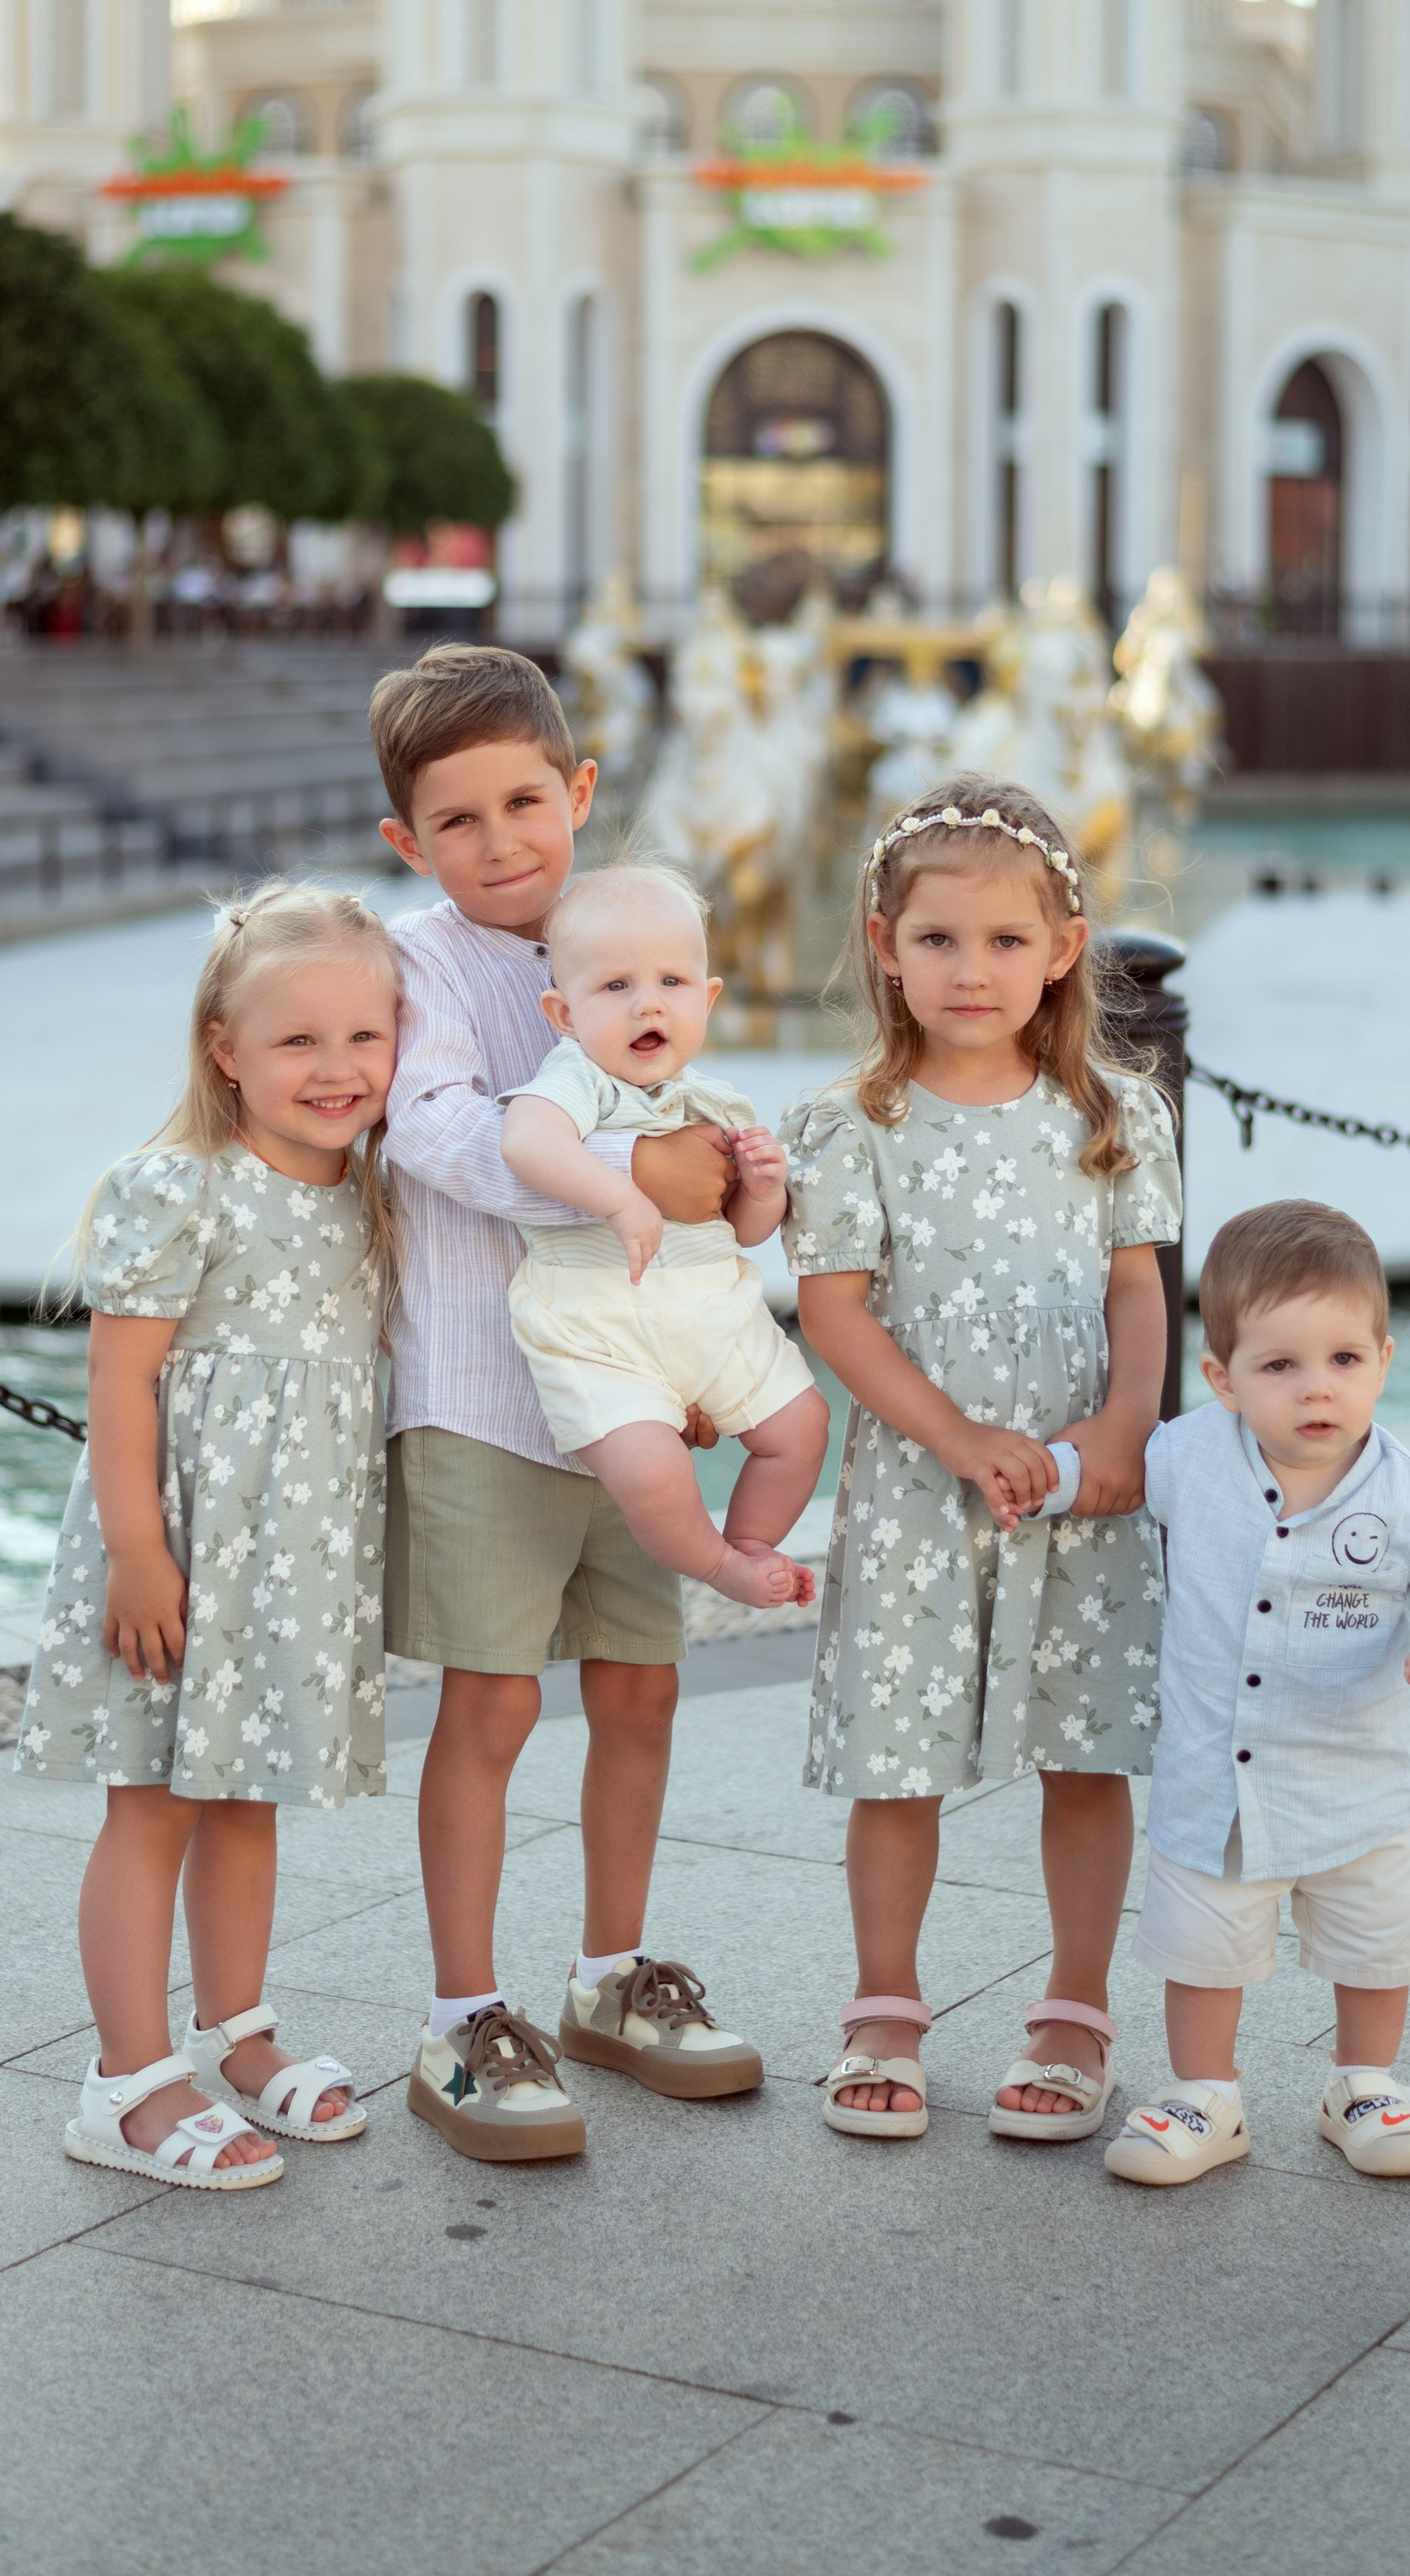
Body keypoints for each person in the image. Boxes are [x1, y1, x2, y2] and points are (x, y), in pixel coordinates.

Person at [372, 646, 771, 2168]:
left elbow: (698, 1142)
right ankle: (463, 2011)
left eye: (525, 801)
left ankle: (611, 1976)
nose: (500, 841)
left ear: (580, 791)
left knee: (641, 1688)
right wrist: (613, 1182)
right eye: (457, 820)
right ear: (410, 842)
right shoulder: (424, 963)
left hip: (630, 1404)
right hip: (483, 1395)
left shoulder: (633, 940)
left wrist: (715, 1300)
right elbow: (438, 1130)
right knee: (492, 1701)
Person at [783, 775, 1179, 2144]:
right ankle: (883, 2006)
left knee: (1087, 1747)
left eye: (1007, 941)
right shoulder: (851, 1125)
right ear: (885, 943)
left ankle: (1075, 2011)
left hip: (1081, 1480)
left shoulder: (1116, 1114)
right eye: (939, 939)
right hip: (917, 1480)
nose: (972, 969)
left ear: (1064, 947)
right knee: (901, 1761)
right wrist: (954, 1436)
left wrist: (1126, 1426)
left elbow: (1140, 1290)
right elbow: (835, 1307)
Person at [17, 885, 399, 2191]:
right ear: (225, 1045)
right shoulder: (180, 1187)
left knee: (247, 1797)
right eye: (299, 1040)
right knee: (156, 1802)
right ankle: (124, 2080)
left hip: (288, 1561)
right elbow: (121, 1382)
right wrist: (138, 1550)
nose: (337, 1068)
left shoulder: (372, 1194)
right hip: (178, 1551)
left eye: (366, 1035)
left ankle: (237, 2031)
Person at [1104, 1198, 1410, 2188]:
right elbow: (1105, 1478)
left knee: (1375, 1944)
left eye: (1343, 1359)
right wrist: (1033, 1472)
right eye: (1279, 1365)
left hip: (1357, 1783)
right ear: (1223, 1377)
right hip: (1217, 1783)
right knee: (1204, 1945)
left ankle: (1365, 2082)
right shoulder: (1187, 1457)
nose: (1315, 1388)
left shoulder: (1402, 1492)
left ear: (1382, 1359)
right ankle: (1205, 2093)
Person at [499, 860, 827, 1609]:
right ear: (564, 1012)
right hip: (601, 1331)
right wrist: (621, 1194)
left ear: (708, 998)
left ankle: (750, 1544)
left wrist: (766, 1188)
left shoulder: (718, 1099)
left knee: (803, 1424)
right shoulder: (578, 1079)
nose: (648, 1004)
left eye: (672, 983)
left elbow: (742, 1229)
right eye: (616, 987)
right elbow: (525, 1142)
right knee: (653, 1471)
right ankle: (714, 1565)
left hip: (715, 1317)